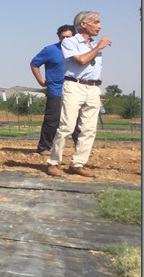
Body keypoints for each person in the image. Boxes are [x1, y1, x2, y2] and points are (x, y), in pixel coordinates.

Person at [46, 11, 112, 178]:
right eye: (96, 22)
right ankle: (53, 163)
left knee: (89, 129)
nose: (99, 26)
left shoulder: (93, 44)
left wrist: (98, 93)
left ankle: (78, 164)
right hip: (74, 86)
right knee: (67, 126)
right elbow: (81, 60)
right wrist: (99, 48)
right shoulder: (70, 42)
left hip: (93, 88)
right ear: (84, 24)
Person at [31, 25, 80, 155]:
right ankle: (44, 147)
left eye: (68, 37)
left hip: (75, 90)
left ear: (74, 37)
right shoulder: (50, 50)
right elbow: (34, 63)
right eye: (62, 37)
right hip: (56, 90)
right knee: (53, 119)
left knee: (77, 120)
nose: (65, 39)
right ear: (58, 37)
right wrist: (41, 81)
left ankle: (81, 149)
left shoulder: (80, 50)